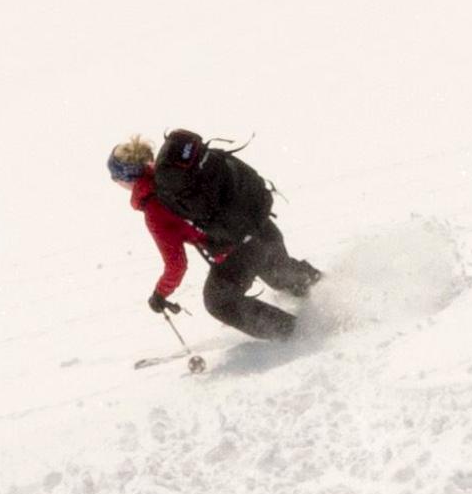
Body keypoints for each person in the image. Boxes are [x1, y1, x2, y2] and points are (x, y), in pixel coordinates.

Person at [109, 129, 321, 341]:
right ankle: (331, 289)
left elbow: (176, 265)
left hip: (239, 251)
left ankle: (292, 333)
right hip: (260, 223)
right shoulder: (179, 172)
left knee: (219, 302)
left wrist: (159, 294)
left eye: (115, 177)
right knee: (281, 276)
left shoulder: (155, 208)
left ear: (125, 178)